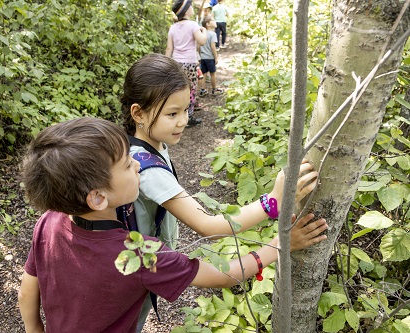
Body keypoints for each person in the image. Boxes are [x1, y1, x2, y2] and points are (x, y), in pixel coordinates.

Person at [18, 117, 328, 333]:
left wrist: (34, 329)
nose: (138, 163)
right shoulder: (139, 255)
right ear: (98, 198)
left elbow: (28, 288)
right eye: (127, 164)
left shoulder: (50, 221)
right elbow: (224, 275)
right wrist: (280, 245)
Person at [121, 53, 328, 332]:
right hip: (137, 269)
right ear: (138, 114)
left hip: (142, 259)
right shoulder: (146, 168)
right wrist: (273, 201)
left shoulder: (141, 146)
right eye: (172, 114)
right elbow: (210, 226)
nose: (183, 121)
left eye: (186, 109)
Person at [165, 0, 207, 128]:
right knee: (191, 89)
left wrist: (166, 65)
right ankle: (188, 117)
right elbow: (202, 41)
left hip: (176, 63)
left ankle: (175, 114)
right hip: (190, 64)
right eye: (190, 5)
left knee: (178, 89)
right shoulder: (193, 25)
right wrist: (203, 31)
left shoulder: (173, 27)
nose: (192, 7)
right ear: (186, 10)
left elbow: (169, 49)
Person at [198, 15, 223, 97]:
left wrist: (199, 56)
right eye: (213, 20)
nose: (215, 22)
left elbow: (198, 46)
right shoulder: (213, 34)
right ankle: (214, 89)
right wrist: (216, 57)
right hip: (210, 58)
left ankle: (203, 90)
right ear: (208, 24)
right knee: (212, 74)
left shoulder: (201, 34)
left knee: (204, 74)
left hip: (202, 57)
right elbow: (213, 47)